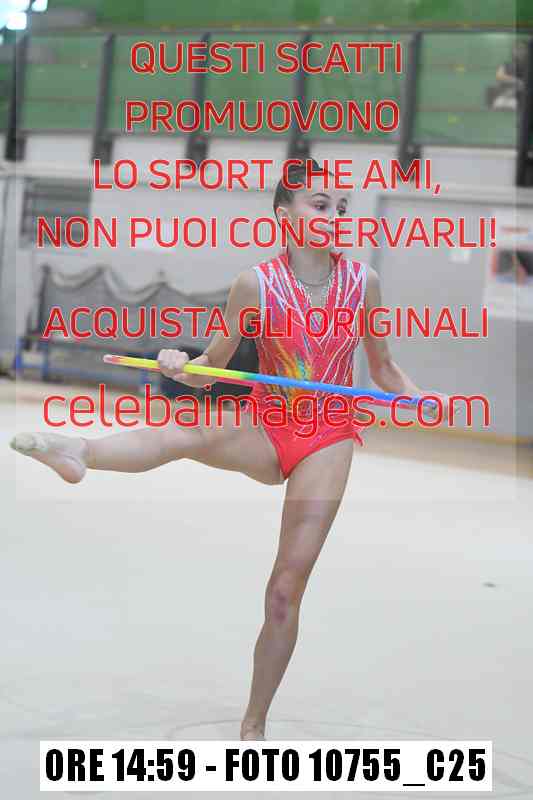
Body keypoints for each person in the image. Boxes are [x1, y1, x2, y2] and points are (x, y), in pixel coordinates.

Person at [10, 160, 449, 741]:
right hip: (267, 422)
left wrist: (417, 396)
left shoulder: (362, 283)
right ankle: (79, 451)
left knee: (285, 590)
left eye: (341, 208)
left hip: (327, 435)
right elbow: (211, 367)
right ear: (285, 215)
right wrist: (178, 364)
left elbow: (384, 367)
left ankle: (253, 722)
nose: (334, 216)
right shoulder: (255, 285)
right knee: (184, 430)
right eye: (320, 204)